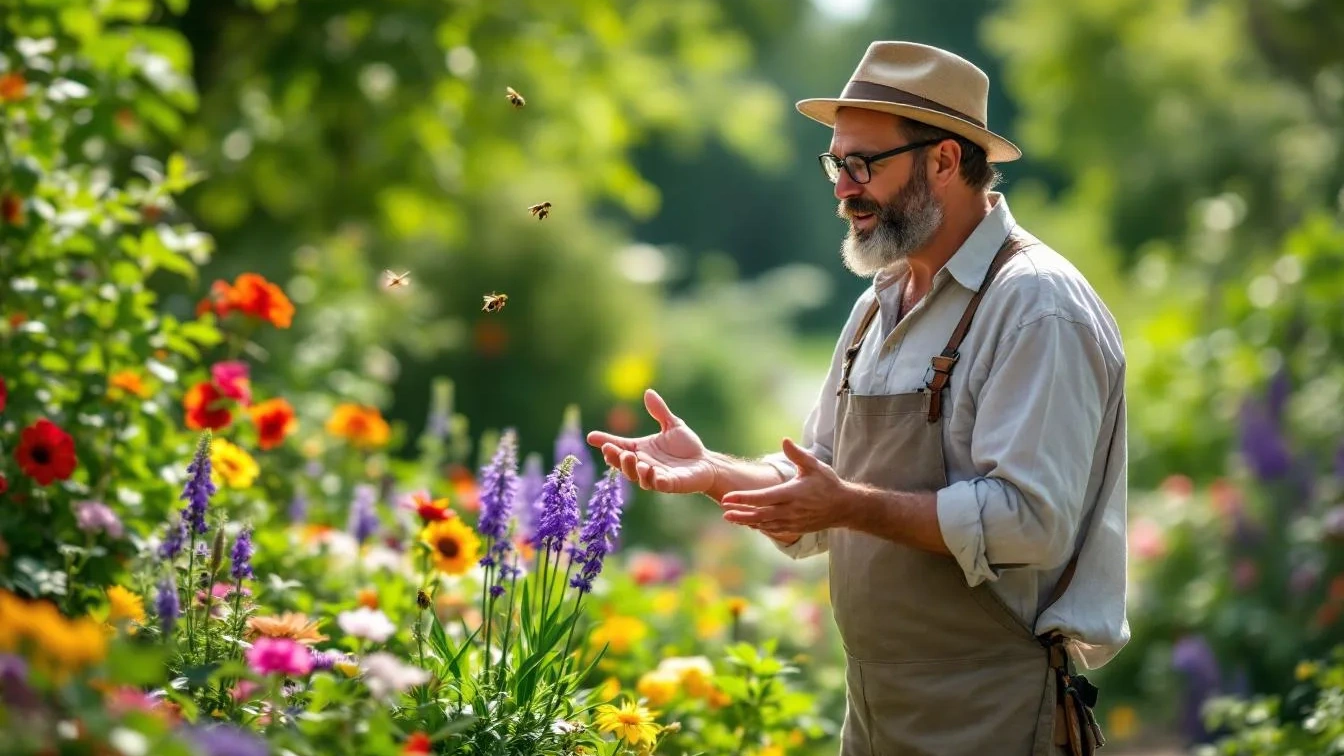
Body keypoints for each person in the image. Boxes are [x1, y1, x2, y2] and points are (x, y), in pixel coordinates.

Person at [587, 41, 1127, 756]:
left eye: (863, 163)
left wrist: (850, 506)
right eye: (837, 163)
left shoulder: (1034, 305)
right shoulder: (879, 305)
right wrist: (716, 470)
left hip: (994, 712)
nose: (843, 186)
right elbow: (823, 478)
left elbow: (1031, 523)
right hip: (876, 714)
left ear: (943, 160)